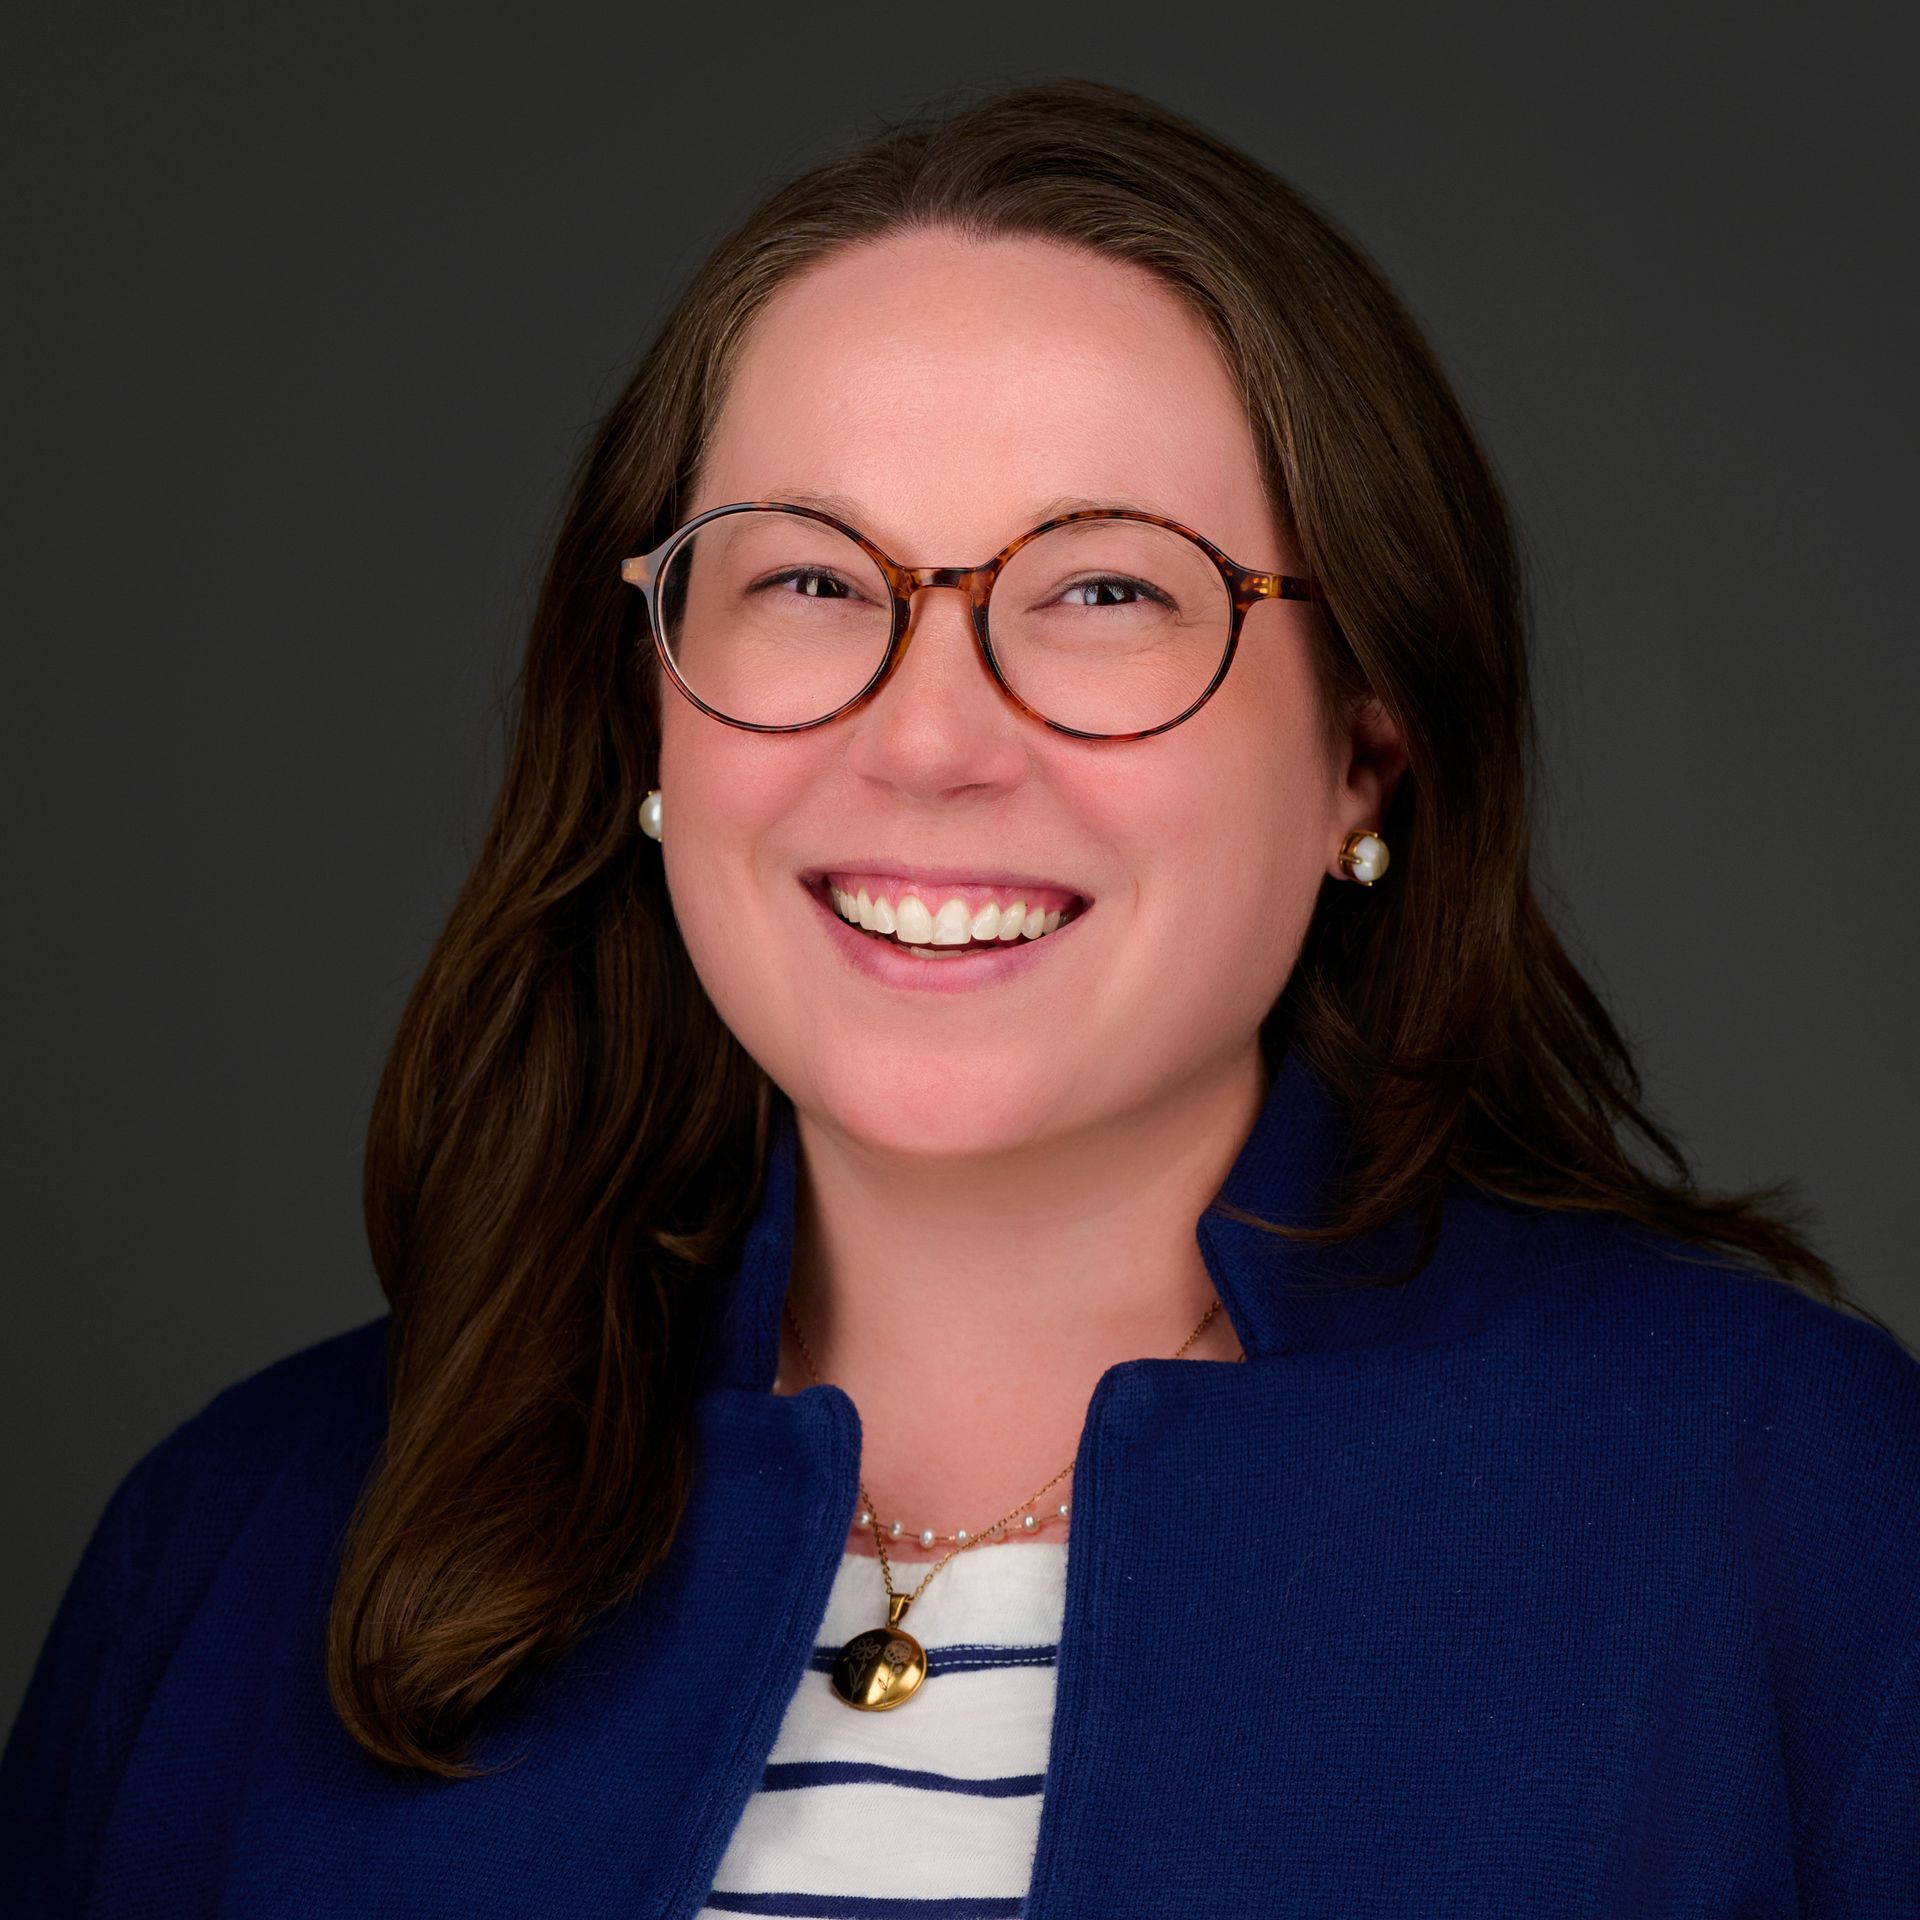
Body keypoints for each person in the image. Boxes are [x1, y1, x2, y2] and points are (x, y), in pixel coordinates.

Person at [3, 76, 1916, 1919]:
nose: (927, 740)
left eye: (1106, 593)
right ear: (650, 709)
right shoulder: (240, 1548)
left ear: (1367, 742)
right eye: (811, 582)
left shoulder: (1784, 1515)